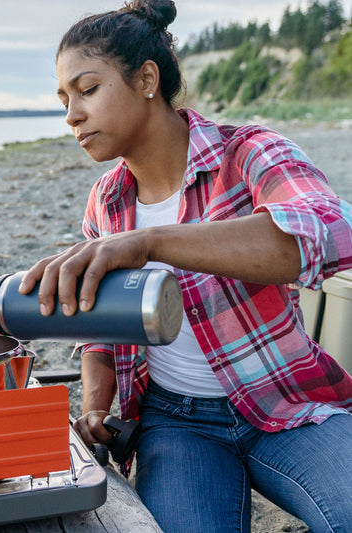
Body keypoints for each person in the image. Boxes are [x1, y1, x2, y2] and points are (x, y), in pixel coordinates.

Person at [19, 1, 352, 531]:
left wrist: (150, 242)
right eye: (63, 99)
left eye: (87, 89)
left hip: (285, 400)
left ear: (146, 79)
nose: (71, 115)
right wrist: (98, 407)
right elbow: (100, 328)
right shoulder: (106, 202)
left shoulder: (247, 153)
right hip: (175, 423)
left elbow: (329, 232)